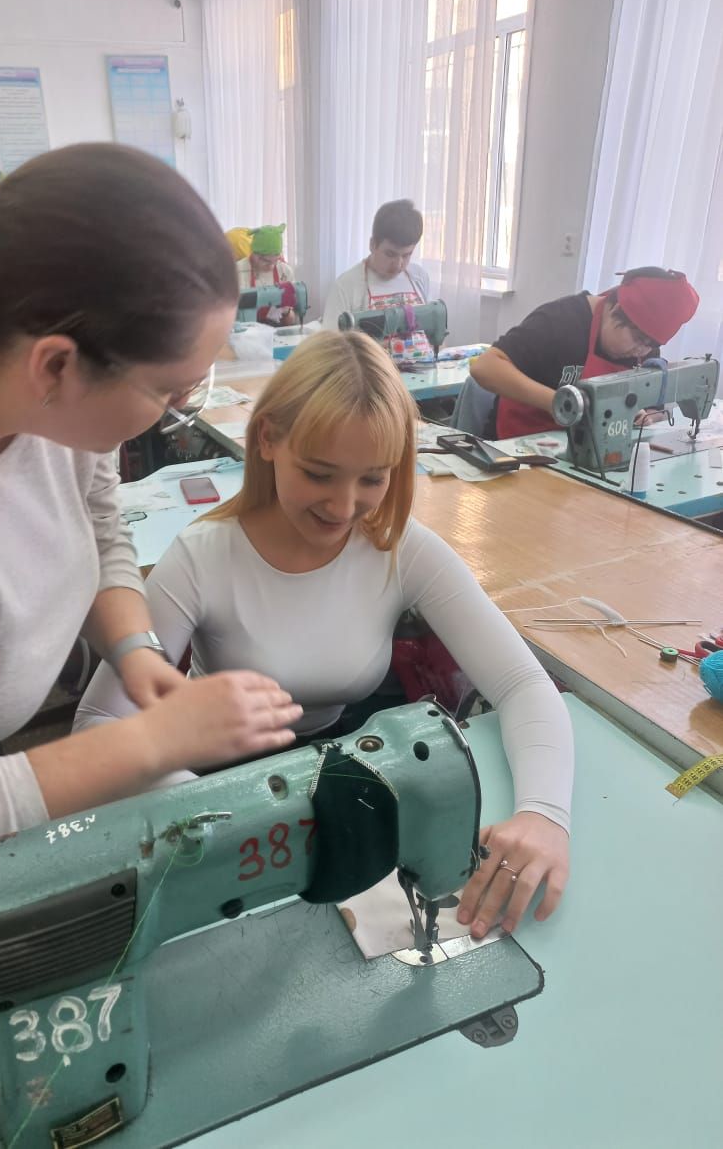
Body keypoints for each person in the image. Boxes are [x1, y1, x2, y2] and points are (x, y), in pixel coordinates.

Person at [0, 143, 303, 893]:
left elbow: (97, 521)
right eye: (169, 392)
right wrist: (155, 740)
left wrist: (137, 653)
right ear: (56, 366)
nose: (176, 411)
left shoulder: (31, 392)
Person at [76, 330, 574, 940]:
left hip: (343, 773)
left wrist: (544, 814)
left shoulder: (400, 550)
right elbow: (98, 722)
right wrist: (236, 820)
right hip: (216, 786)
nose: (343, 507)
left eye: (372, 479)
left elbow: (521, 683)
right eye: (319, 474)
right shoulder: (202, 557)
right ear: (267, 440)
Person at [470, 267, 700, 439]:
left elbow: (652, 401)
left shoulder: (645, 345)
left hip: (585, 448)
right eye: (638, 339)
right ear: (617, 309)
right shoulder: (559, 321)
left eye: (651, 344)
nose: (641, 350)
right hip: (520, 445)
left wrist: (649, 414)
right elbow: (485, 367)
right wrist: (559, 404)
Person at [322, 199, 430, 330]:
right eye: (390, 254)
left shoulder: (419, 277)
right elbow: (330, 341)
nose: (398, 265)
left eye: (406, 255)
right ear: (372, 245)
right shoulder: (345, 287)